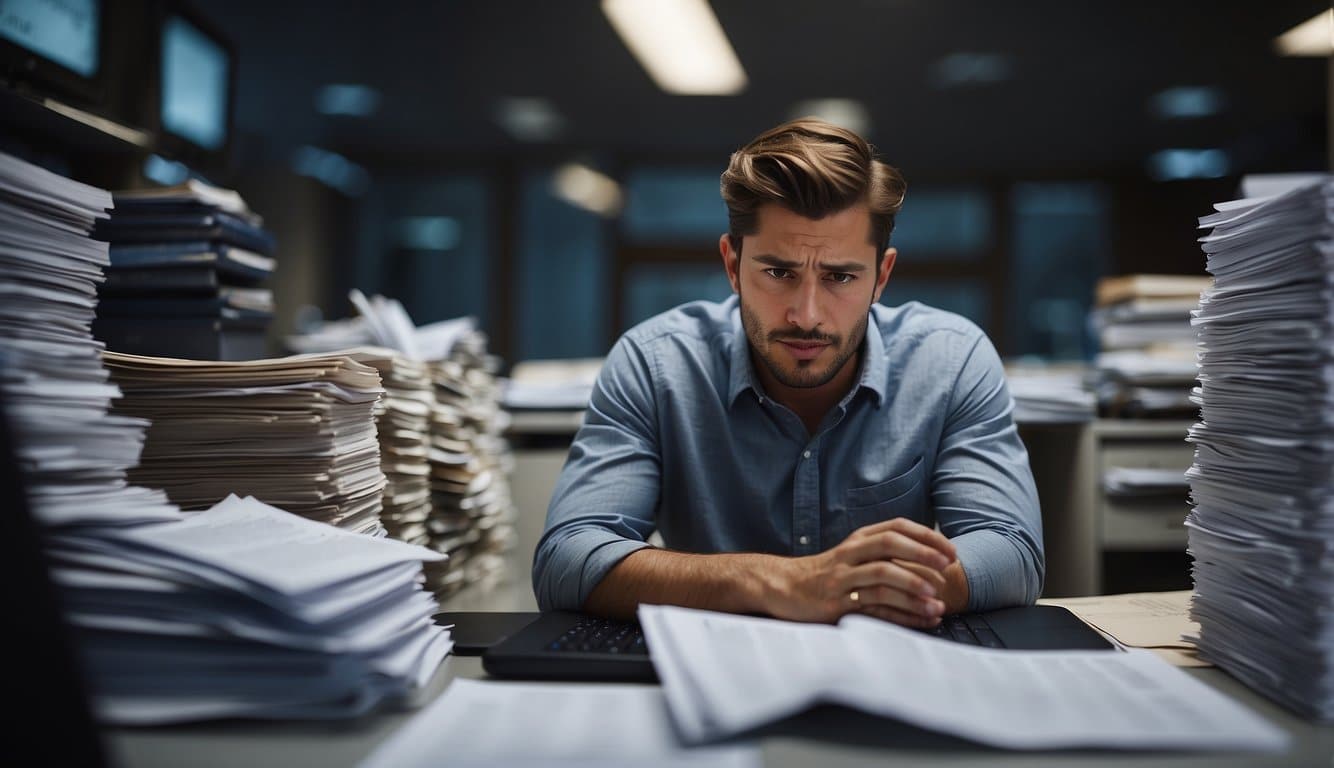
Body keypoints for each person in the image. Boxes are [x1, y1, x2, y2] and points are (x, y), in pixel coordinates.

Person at [532, 118, 1043, 628]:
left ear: (881, 277)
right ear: (732, 265)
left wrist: (877, 588)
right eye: (779, 273)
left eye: (840, 276)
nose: (807, 315)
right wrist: (779, 582)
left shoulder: (950, 362)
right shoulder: (654, 363)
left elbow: (1011, 550)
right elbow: (568, 558)